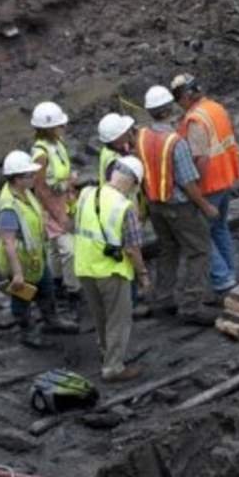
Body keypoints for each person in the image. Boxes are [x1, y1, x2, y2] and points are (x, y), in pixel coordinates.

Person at [136, 85, 219, 325]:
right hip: (179, 207)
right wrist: (205, 206)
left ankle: (164, 299)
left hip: (154, 204)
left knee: (168, 249)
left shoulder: (142, 135)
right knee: (199, 250)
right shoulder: (175, 142)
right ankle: (192, 306)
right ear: (169, 109)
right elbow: (188, 183)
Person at [73, 156, 150, 382]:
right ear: (133, 182)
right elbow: (132, 249)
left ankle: (107, 352)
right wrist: (143, 275)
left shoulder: (87, 194)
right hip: (111, 272)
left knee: (101, 318)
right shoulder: (124, 207)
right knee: (118, 319)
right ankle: (113, 368)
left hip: (85, 266)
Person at [0, 150, 77, 348]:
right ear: (16, 178)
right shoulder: (8, 206)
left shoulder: (25, 193)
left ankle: (52, 320)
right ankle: (28, 332)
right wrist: (17, 274)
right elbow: (9, 242)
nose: (33, 178)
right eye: (29, 175)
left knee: (46, 289)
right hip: (20, 263)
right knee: (23, 298)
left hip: (35, 258)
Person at [171, 73, 239, 298]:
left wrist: (195, 190)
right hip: (226, 177)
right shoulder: (216, 108)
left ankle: (222, 280)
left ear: (186, 96)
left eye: (178, 98)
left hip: (209, 185)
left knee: (202, 237)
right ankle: (230, 274)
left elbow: (199, 157)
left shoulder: (195, 120)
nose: (178, 104)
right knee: (220, 229)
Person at [29, 101, 81, 310]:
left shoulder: (56, 144)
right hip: (52, 206)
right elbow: (41, 189)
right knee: (69, 250)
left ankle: (57, 284)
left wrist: (69, 185)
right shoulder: (40, 154)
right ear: (48, 128)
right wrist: (59, 216)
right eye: (59, 125)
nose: (63, 128)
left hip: (63, 200)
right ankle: (72, 291)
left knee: (55, 250)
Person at [96, 113, 136, 185]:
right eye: (125, 131)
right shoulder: (116, 164)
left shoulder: (107, 149)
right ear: (118, 138)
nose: (128, 132)